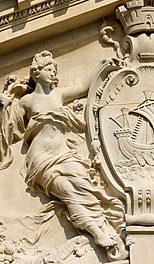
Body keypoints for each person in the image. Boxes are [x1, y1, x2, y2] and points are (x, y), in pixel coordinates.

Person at [0, 51, 123, 248]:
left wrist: (103, 64)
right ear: (36, 73)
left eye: (54, 70)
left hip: (65, 154)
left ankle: (103, 225)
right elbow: (10, 128)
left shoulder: (58, 95)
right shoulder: (27, 101)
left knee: (85, 188)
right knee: (67, 190)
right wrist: (3, 106)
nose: (52, 73)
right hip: (42, 157)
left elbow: (83, 87)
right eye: (48, 69)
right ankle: (96, 231)